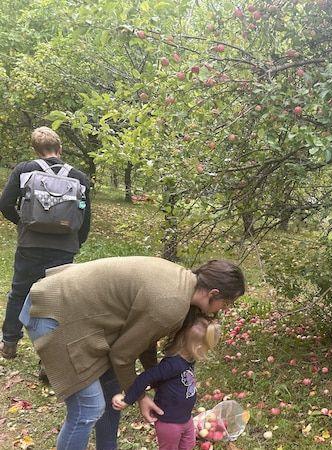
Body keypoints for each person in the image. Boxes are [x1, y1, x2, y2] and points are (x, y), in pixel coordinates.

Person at [19, 256, 245, 450]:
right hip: (56, 313)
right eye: (227, 303)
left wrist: (155, 379)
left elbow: (144, 339)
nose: (225, 309)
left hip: (78, 312)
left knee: (110, 391)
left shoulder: (182, 284)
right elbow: (121, 356)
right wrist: (139, 396)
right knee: (88, 408)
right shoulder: (171, 304)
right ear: (213, 293)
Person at [0, 126, 91, 361]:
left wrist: (24, 224)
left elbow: (5, 204)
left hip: (30, 244)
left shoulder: (24, 170)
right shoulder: (79, 177)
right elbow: (85, 219)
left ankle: (9, 343)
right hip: (64, 247)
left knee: (19, 292)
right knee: (56, 299)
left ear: (36, 150)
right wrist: (75, 241)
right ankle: (49, 357)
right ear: (59, 148)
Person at [112, 316, 221, 450]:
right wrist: (127, 400)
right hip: (170, 423)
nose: (206, 352)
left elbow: (160, 380)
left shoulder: (189, 359)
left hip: (185, 418)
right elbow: (146, 377)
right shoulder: (173, 364)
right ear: (197, 347)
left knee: (189, 445)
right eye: (206, 348)